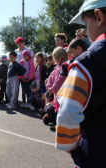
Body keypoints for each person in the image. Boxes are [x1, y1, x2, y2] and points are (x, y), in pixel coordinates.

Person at [56, 1, 106, 167]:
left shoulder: (86, 63)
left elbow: (67, 110)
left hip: (95, 151)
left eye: (86, 23)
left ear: (98, 17)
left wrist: (68, 145)